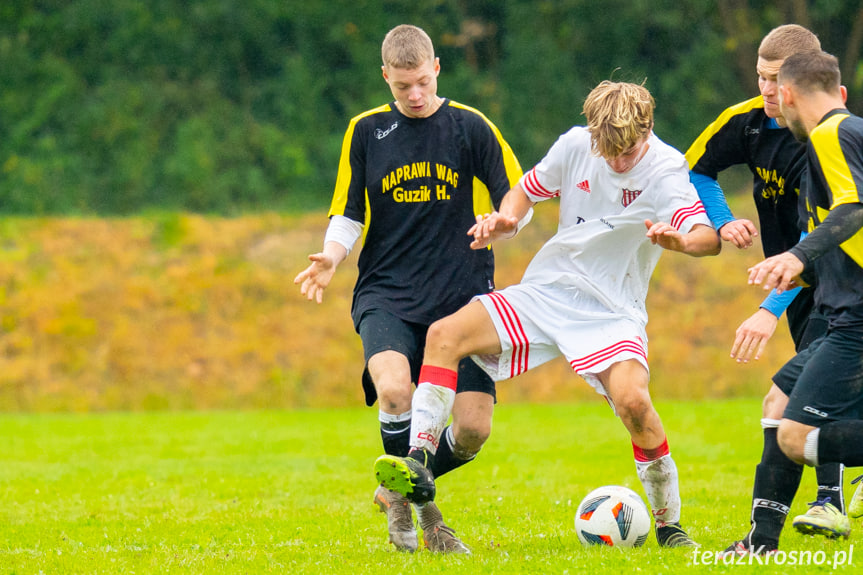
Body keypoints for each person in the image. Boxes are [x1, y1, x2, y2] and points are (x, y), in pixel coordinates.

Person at [373, 80, 720, 548]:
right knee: (444, 334)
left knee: (635, 404)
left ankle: (670, 527)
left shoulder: (666, 168)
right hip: (548, 291)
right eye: (608, 150)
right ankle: (417, 458)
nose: (617, 161)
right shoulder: (576, 145)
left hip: (612, 311)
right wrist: (508, 218)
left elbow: (706, 237)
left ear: (648, 129)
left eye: (628, 152)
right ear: (593, 133)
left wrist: (681, 241)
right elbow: (526, 190)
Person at [294, 24, 524, 554]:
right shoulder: (366, 131)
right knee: (396, 390)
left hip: (463, 297)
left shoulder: (471, 127)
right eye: (403, 87)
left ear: (437, 68)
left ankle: (395, 486)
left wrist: (505, 223)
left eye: (422, 82)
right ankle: (419, 510)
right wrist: (331, 256)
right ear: (386, 79)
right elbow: (348, 210)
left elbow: (516, 195)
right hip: (388, 292)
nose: (415, 96)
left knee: (472, 431)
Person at [685, 24, 850, 550]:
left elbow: (825, 225)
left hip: (833, 282)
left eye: (777, 80)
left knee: (797, 401)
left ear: (802, 82)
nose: (767, 91)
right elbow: (692, 169)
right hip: (807, 282)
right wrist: (721, 219)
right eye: (760, 77)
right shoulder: (748, 122)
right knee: (797, 403)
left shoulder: (824, 139)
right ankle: (777, 533)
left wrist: (769, 307)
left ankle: (823, 505)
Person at [748, 48, 863, 537]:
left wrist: (797, 255)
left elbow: (854, 209)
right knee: (778, 403)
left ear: (788, 94)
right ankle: (761, 541)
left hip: (856, 319)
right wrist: (805, 273)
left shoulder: (832, 134)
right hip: (840, 312)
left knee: (797, 437)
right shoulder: (849, 136)